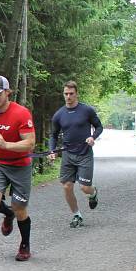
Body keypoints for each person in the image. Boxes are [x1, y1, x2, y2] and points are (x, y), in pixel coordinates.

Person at [0, 75, 36, 262]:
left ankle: (24, 244)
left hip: (20, 166)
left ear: (8, 92)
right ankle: (7, 213)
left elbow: (30, 143)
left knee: (20, 209)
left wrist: (6, 145)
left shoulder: (21, 113)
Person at [48, 81, 103, 228]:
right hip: (68, 154)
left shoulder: (86, 110)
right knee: (67, 187)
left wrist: (93, 137)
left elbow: (99, 127)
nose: (68, 96)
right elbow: (53, 135)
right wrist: (52, 150)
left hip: (84, 153)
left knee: (85, 187)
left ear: (76, 94)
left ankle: (93, 193)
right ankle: (77, 215)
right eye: (66, 94)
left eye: (71, 94)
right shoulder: (59, 115)